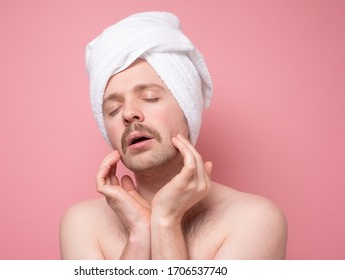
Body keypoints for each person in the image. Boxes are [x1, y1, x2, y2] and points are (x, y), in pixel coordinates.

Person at [60, 11, 287, 259]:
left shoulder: (255, 220)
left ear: (187, 108)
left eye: (149, 98)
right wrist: (139, 232)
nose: (128, 114)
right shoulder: (82, 224)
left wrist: (166, 221)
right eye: (113, 109)